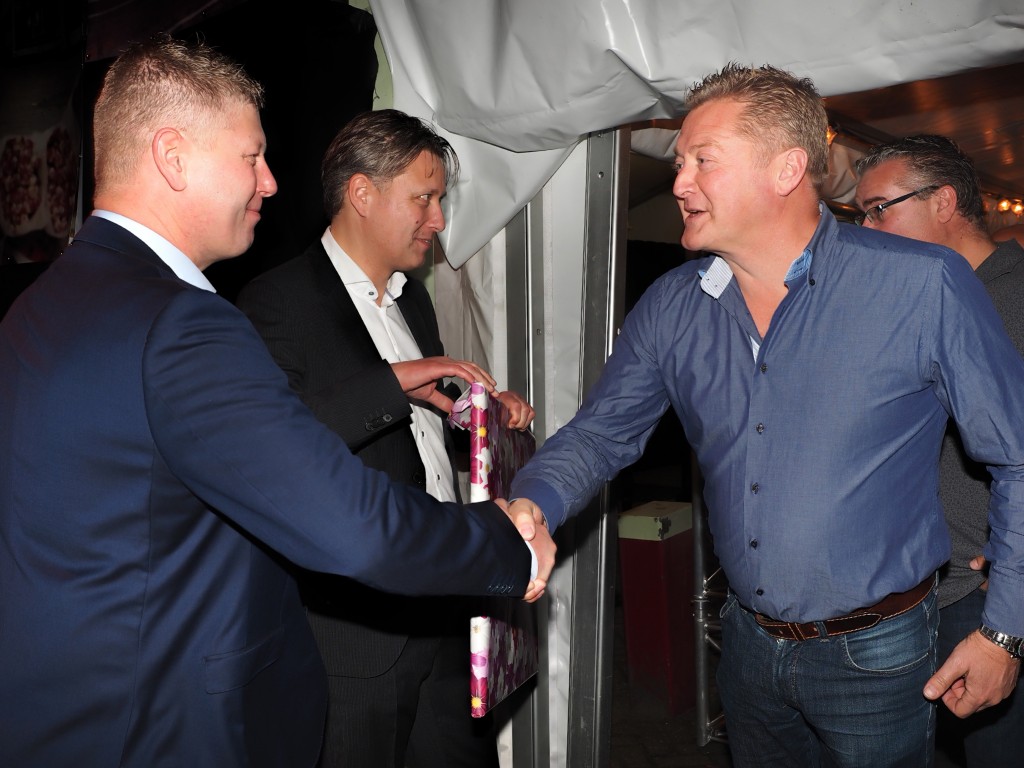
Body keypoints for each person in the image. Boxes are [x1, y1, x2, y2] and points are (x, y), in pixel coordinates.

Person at [0, 36, 554, 768]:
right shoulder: (182, 323)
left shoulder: (38, 306)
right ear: (173, 157)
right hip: (167, 727)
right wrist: (503, 542)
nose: (269, 182)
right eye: (251, 157)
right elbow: (350, 523)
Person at [507, 62, 1024, 767]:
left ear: (787, 169)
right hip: (747, 645)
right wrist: (535, 501)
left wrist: (1003, 634)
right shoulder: (672, 306)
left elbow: (1016, 457)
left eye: (703, 160)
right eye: (680, 162)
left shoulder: (921, 285)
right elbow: (602, 433)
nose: (680, 182)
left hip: (880, 653)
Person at [235, 109, 534, 768]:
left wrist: (480, 417)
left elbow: (423, 426)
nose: (439, 220)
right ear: (362, 193)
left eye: (440, 201)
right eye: (423, 199)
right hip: (356, 637)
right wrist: (391, 383)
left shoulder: (411, 299)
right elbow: (269, 453)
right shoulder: (276, 300)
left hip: (444, 603)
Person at [854, 134, 1024, 766]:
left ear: (944, 201)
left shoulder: (1013, 296)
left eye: (878, 209)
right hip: (913, 589)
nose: (866, 229)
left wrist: (1011, 585)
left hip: (982, 599)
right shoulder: (911, 301)